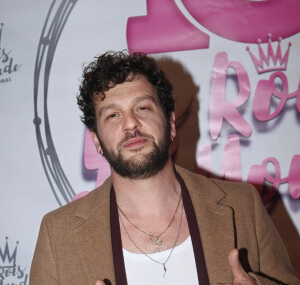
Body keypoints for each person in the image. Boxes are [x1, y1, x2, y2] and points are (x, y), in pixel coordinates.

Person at [30, 51, 299, 285]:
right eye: (113, 115)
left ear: (170, 123)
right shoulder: (57, 234)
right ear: (96, 140)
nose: (131, 124)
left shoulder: (243, 206)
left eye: (143, 107)